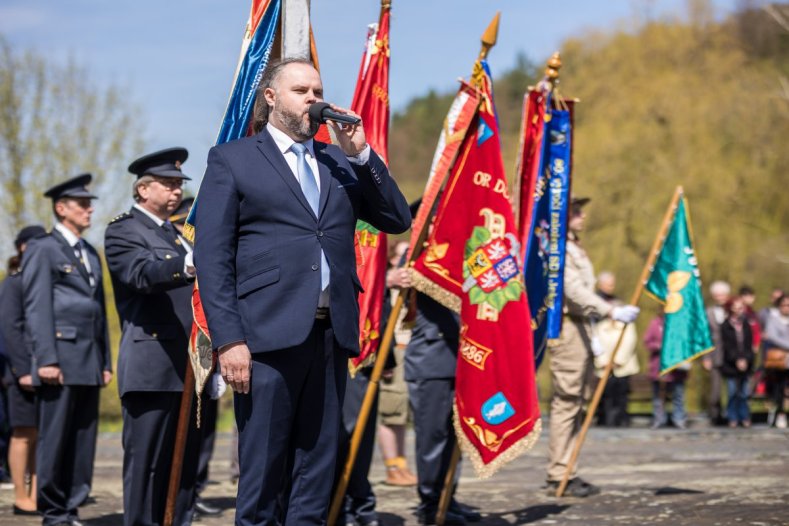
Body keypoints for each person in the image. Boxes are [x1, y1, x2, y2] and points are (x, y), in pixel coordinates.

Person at [194, 58, 411, 525]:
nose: (314, 99)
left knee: (316, 470)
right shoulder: (233, 159)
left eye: (317, 90)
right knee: (264, 471)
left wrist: (361, 155)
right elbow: (212, 259)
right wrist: (229, 340)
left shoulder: (338, 160)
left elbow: (397, 218)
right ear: (271, 97)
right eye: (301, 90)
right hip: (266, 339)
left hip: (330, 335)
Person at [104, 148, 205, 525]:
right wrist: (188, 264)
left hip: (188, 365)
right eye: (169, 183)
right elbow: (140, 274)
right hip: (152, 364)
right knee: (147, 467)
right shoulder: (123, 230)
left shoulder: (177, 235)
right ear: (143, 190)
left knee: (180, 470)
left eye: (179, 183)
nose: (177, 190)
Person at [22, 174, 112, 526]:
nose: (89, 210)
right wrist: (45, 358)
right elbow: (37, 307)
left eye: (90, 204)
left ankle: (72, 506)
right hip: (58, 359)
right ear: (61, 209)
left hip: (89, 362)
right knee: (55, 441)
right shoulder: (44, 249)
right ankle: (54, 512)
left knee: (82, 441)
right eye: (82, 204)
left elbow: (99, 311)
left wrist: (104, 360)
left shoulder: (89, 252)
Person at [545, 197, 639, 497]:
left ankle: (567, 469)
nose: (582, 215)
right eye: (575, 211)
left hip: (581, 326)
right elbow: (571, 289)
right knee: (568, 400)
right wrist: (609, 310)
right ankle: (559, 472)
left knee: (578, 401)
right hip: (568, 325)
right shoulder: (558, 246)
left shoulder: (574, 245)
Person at [404, 290, 480, 525]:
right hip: (432, 358)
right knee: (433, 437)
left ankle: (447, 497)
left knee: (454, 437)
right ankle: (431, 502)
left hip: (461, 356)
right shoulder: (424, 254)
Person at [169, 197, 223, 519]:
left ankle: (196, 487)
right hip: (180, 353)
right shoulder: (179, 251)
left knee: (206, 429)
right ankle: (182, 493)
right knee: (184, 431)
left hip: (208, 350)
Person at [0, 225, 46, 515]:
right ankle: (21, 495)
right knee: (24, 432)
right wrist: (21, 370)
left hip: (46, 369)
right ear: (22, 248)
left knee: (42, 434)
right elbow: (10, 330)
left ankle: (38, 492)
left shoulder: (42, 282)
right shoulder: (14, 283)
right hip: (22, 371)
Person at [377, 239, 417, 487]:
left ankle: (401, 463)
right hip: (395, 348)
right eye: (402, 256)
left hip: (411, 347)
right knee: (391, 411)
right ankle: (392, 465)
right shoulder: (387, 277)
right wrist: (390, 277)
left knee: (402, 415)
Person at [592, 271, 639, 427]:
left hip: (621, 365)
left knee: (621, 394)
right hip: (603, 364)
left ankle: (620, 419)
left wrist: (618, 360)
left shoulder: (624, 323)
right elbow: (594, 337)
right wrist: (603, 360)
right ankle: (604, 419)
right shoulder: (597, 315)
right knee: (604, 394)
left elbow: (629, 340)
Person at [644, 313, 689, 429]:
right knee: (659, 395)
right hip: (659, 365)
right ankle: (659, 418)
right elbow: (647, 341)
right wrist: (659, 346)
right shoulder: (655, 323)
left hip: (677, 367)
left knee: (678, 395)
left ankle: (679, 419)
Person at [720, 296, 755, 428]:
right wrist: (737, 360)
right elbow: (727, 347)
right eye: (735, 308)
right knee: (732, 392)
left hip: (746, 364)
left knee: (745, 393)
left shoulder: (746, 324)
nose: (738, 310)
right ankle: (732, 417)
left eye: (741, 308)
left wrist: (746, 359)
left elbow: (749, 344)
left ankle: (744, 416)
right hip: (731, 365)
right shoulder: (725, 325)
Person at [704, 280, 730, 425]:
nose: (720, 297)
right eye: (717, 295)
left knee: (733, 389)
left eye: (723, 295)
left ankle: (732, 415)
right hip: (715, 355)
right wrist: (706, 358)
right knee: (715, 390)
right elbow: (706, 337)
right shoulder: (708, 312)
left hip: (731, 355)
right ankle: (716, 416)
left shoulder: (734, 311)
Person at [763, 293, 789, 428]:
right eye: (784, 305)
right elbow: (772, 337)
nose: (787, 308)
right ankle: (780, 414)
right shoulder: (774, 320)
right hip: (778, 360)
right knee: (779, 388)